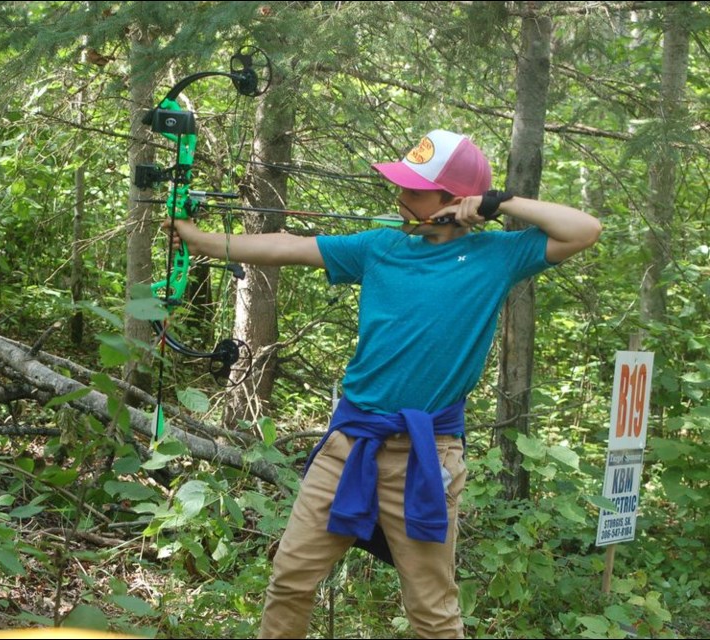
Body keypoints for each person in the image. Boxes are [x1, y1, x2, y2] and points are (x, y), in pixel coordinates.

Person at [165, 129, 602, 638]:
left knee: (432, 608)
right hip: (349, 444)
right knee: (290, 580)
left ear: (455, 200)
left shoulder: (498, 255)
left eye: (414, 189)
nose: (400, 196)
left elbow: (584, 229)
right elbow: (289, 246)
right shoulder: (381, 247)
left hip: (426, 454)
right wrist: (202, 242)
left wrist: (500, 202)